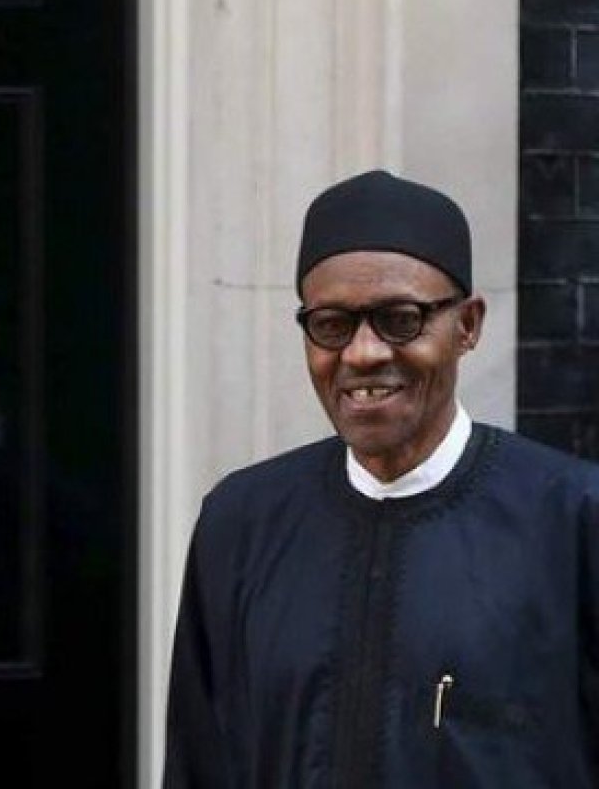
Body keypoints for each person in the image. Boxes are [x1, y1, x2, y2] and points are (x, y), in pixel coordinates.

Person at [163, 170, 599, 787]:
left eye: (401, 319)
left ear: (468, 325)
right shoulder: (241, 521)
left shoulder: (572, 519)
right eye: (332, 324)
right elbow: (198, 758)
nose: (363, 353)